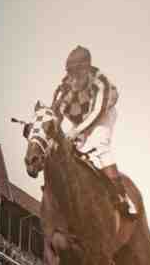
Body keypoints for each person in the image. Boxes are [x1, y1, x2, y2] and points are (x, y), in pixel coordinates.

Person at [51, 45, 137, 216]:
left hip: (103, 113)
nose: (75, 81)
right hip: (80, 119)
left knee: (99, 144)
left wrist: (76, 133)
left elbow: (96, 113)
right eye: (72, 75)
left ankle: (122, 196)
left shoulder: (101, 82)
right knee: (67, 148)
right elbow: (55, 116)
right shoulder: (63, 88)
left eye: (79, 75)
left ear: (87, 71)